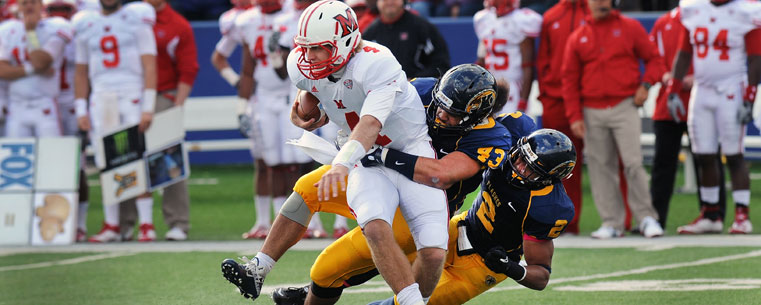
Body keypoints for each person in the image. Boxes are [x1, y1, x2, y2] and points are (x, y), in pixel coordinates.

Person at [274, 123, 576, 305]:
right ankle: (317, 293)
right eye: (521, 159)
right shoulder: (506, 149)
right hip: (459, 228)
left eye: (530, 169)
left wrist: (511, 267)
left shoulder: (548, 206)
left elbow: (541, 276)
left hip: (481, 266)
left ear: (552, 177)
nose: (519, 168)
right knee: (389, 256)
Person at [562, 0, 664, 239]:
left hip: (625, 104)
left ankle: (646, 217)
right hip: (592, 108)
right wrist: (575, 116)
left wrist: (646, 85)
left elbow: (655, 60)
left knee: (633, 162)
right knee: (600, 167)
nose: (600, 2)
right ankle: (611, 222)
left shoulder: (630, 27)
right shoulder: (578, 37)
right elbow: (569, 80)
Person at [668, 0, 761, 234]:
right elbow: (684, 51)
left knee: (733, 154)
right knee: (703, 154)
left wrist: (750, 97)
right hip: (702, 89)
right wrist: (673, 89)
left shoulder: (746, 10)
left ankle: (742, 215)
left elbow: (755, 57)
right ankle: (711, 214)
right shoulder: (693, 8)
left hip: (731, 89)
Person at [74, 0, 158, 242]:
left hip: (131, 93)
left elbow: (149, 65)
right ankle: (111, 224)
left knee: (137, 157)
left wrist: (148, 106)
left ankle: (146, 224)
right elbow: (80, 71)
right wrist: (81, 108)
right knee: (106, 161)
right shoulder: (86, 22)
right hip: (101, 97)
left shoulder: (136, 19)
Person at [115, 0, 199, 241]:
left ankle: (178, 222)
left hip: (163, 95)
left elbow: (188, 68)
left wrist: (177, 104)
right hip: (127, 94)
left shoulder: (178, 25)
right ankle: (124, 223)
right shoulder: (125, 17)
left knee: (169, 158)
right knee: (124, 158)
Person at [271, 0, 350, 239]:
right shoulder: (285, 22)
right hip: (324, 95)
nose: (309, 56)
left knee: (344, 156)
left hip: (347, 98)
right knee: (308, 158)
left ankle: (342, 221)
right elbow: (302, 73)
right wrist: (303, 97)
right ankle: (310, 222)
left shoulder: (338, 16)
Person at [648, 7, 727, 229]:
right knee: (663, 164)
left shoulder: (709, 18)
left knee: (708, 158)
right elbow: (652, 55)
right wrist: (666, 76)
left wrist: (699, 78)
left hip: (701, 99)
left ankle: (714, 214)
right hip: (668, 104)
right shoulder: (663, 22)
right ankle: (656, 220)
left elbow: (723, 55)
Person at [41, 0, 96, 243]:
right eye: (54, 10)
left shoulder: (80, 36)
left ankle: (81, 224)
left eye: (64, 10)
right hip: (46, 105)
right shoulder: (38, 34)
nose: (59, 16)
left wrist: (86, 107)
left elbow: (90, 73)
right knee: (46, 166)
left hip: (73, 105)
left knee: (78, 167)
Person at [0, 0, 70, 138]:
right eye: (24, 3)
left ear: (42, 5)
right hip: (16, 106)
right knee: (17, 157)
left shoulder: (54, 26)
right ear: (18, 6)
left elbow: (40, 62)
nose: (29, 6)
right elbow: (2, 71)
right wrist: (33, 70)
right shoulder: (6, 29)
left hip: (45, 104)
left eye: (33, 2)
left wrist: (30, 32)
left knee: (51, 153)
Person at [474, 0, 540, 115]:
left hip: (513, 87)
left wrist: (523, 101)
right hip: (490, 84)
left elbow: (528, 66)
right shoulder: (483, 18)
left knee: (512, 129)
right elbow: (481, 60)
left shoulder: (521, 20)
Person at [363, 0, 450, 79]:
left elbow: (441, 65)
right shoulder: (370, 33)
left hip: (418, 89)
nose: (389, 2)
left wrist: (414, 80)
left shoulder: (422, 27)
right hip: (382, 89)